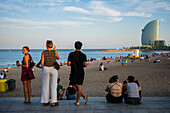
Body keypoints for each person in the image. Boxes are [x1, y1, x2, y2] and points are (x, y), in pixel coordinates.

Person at [67, 41, 88, 106]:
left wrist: (72, 63)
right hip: (81, 72)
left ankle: (79, 100)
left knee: (72, 84)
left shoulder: (71, 54)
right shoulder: (83, 55)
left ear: (74, 46)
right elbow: (86, 65)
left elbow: (68, 64)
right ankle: (81, 98)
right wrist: (81, 65)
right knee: (79, 86)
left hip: (73, 72)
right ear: (81, 47)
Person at [40, 40, 60, 107]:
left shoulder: (43, 52)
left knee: (45, 85)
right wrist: (54, 51)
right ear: (52, 45)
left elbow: (42, 63)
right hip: (53, 69)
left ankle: (46, 101)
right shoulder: (55, 52)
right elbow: (58, 58)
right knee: (53, 85)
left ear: (46, 45)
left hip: (46, 69)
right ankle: (53, 102)